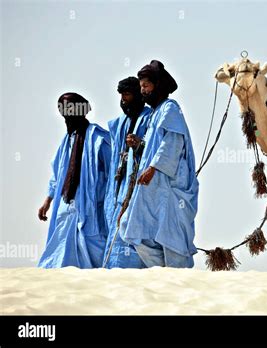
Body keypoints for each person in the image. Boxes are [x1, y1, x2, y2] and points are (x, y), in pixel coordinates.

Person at [117, 60, 199, 268]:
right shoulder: (156, 113)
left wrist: (153, 168)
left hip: (170, 188)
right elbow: (154, 146)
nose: (142, 91)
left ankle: (177, 279)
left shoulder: (170, 109)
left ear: (158, 85)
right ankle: (160, 269)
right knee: (130, 226)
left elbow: (172, 142)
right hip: (153, 188)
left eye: (146, 86)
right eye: (141, 86)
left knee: (172, 238)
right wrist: (140, 145)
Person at [37, 92, 111, 268]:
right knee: (61, 245)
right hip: (66, 204)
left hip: (91, 206)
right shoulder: (67, 141)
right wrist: (48, 200)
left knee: (93, 247)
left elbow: (112, 172)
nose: (65, 116)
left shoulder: (99, 138)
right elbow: (58, 173)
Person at [102, 77, 151, 268]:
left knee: (131, 231)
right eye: (121, 95)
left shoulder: (150, 117)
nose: (123, 99)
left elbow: (156, 149)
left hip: (139, 187)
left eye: (128, 94)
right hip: (118, 188)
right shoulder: (118, 124)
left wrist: (140, 144)